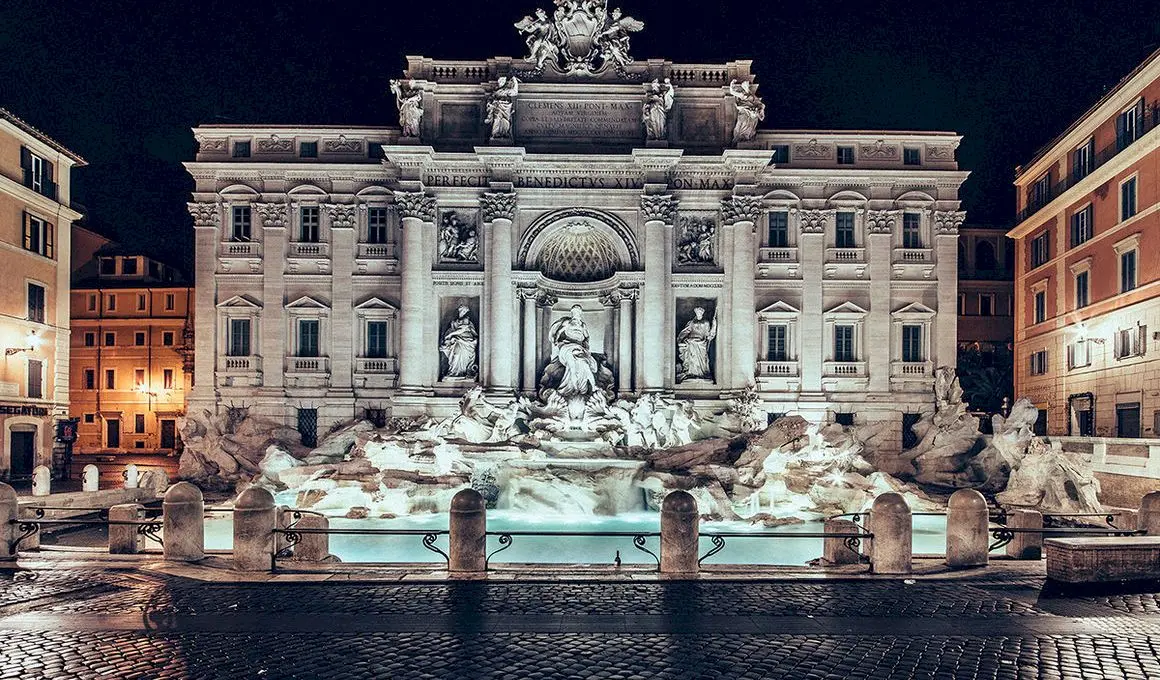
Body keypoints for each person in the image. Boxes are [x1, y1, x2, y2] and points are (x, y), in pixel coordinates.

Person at [676, 307, 717, 381]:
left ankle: (701, 374)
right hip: (691, 342)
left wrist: (714, 325)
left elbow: (708, 334)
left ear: (702, 314)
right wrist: (680, 339)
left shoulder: (706, 323)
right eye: (697, 313)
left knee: (702, 359)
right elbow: (685, 331)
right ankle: (691, 373)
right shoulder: (691, 322)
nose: (698, 314)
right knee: (692, 359)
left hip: (701, 344)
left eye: (700, 313)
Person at [440, 305, 478, 379]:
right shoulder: (454, 321)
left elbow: (462, 330)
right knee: (456, 355)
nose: (463, 312)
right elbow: (450, 330)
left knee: (459, 355)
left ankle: (461, 373)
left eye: (464, 311)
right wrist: (448, 336)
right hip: (456, 341)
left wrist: (451, 334)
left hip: (465, 341)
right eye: (462, 310)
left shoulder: (466, 319)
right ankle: (453, 372)